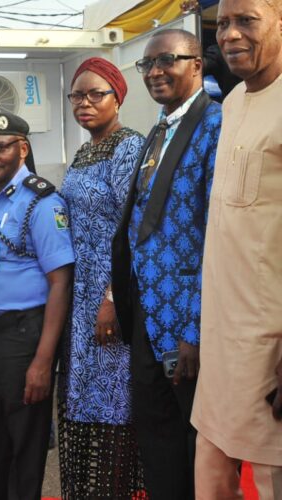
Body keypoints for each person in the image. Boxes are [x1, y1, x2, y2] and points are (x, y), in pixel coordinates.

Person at [111, 29, 221, 500]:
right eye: (147, 65)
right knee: (157, 444)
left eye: (167, 61)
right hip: (147, 320)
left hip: (188, 326)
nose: (155, 72)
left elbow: (218, 234)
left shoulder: (216, 125)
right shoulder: (158, 128)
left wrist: (195, 329)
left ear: (196, 63)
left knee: (199, 450)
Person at [191, 0, 282, 496]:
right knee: (211, 462)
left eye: (246, 20)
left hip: (270, 342)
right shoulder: (232, 103)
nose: (229, 35)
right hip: (223, 334)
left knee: (269, 472)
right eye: (223, 23)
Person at [0, 111, 75, 499]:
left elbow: (60, 282)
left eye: (0, 147)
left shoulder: (43, 202)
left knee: (27, 441)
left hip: (25, 337)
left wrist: (43, 361)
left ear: (22, 148)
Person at [57, 57, 147, 498]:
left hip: (111, 294)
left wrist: (112, 298)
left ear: (118, 97)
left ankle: (114, 490)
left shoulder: (130, 148)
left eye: (96, 94)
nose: (85, 103)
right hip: (80, 296)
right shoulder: (85, 151)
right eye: (78, 95)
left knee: (115, 402)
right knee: (84, 399)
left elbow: (135, 228)